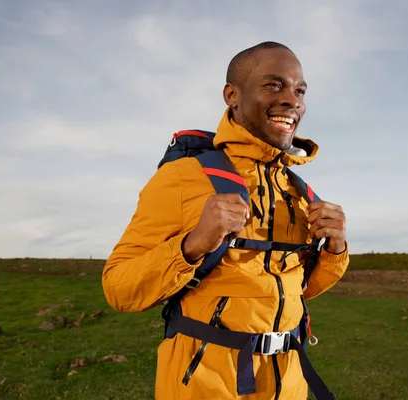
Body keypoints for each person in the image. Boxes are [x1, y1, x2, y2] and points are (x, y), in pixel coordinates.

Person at [102, 41, 350, 400]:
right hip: (205, 384)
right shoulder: (184, 176)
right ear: (232, 95)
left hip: (289, 383)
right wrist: (191, 246)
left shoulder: (298, 191)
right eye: (274, 84)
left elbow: (299, 290)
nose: (292, 101)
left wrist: (335, 249)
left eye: (299, 91)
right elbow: (118, 289)